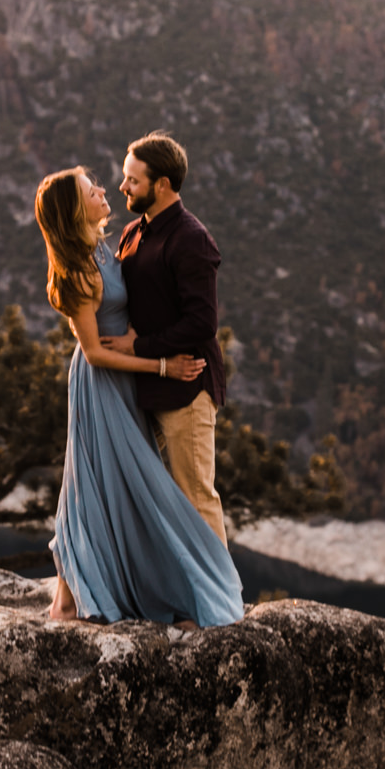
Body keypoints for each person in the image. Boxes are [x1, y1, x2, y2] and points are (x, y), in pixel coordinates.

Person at [33, 164, 245, 628]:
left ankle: (106, 590)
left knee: (118, 486)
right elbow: (94, 354)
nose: (105, 190)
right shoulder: (77, 273)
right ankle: (74, 597)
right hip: (103, 385)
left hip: (128, 384)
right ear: (75, 209)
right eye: (92, 190)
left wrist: (148, 341)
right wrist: (163, 365)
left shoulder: (105, 249)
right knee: (91, 484)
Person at [101, 132, 228, 544]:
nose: (123, 187)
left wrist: (138, 347)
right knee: (150, 500)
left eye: (132, 181)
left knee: (195, 500)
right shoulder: (133, 232)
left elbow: (202, 324)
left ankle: (219, 607)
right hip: (146, 386)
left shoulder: (191, 239)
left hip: (187, 390)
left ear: (162, 185)